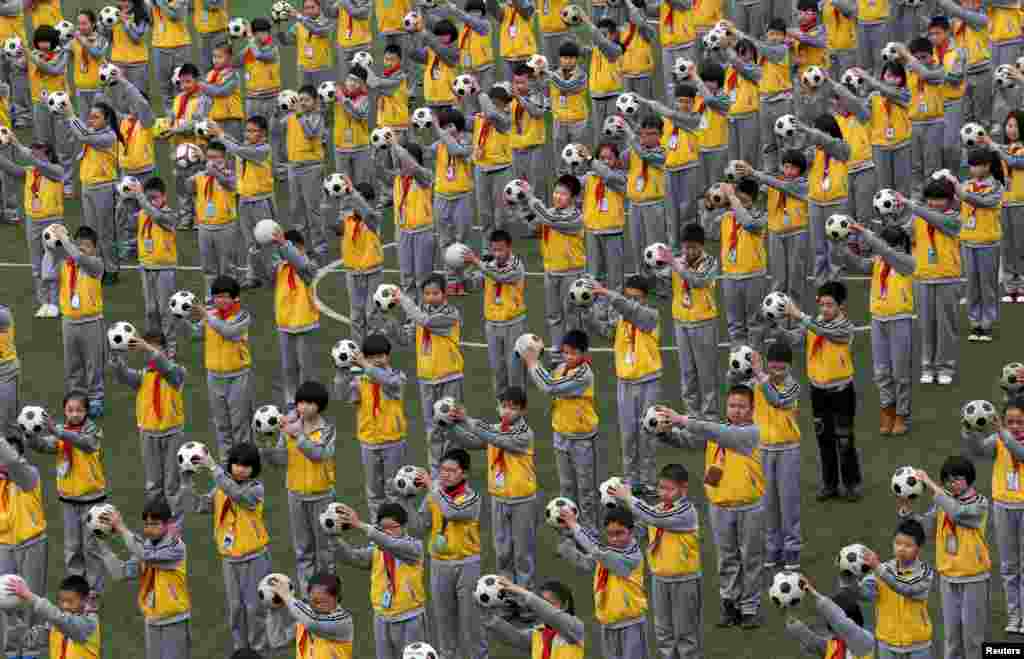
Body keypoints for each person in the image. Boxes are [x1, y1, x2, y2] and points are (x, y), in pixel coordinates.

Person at [656, 387, 765, 628]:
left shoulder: (751, 433)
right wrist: (663, 433)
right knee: (727, 558)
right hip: (719, 507)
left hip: (750, 507)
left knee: (751, 559)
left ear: (752, 410)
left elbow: (716, 432)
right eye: (732, 406)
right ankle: (730, 603)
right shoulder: (717, 433)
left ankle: (750, 608)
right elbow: (688, 441)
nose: (736, 411)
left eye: (742, 407)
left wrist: (682, 420)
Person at [178, 443, 271, 657]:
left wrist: (213, 467)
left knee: (254, 608)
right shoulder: (220, 488)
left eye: (246, 465)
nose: (240, 468)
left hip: (254, 558)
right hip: (230, 559)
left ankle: (259, 652)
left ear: (254, 469)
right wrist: (186, 481)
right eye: (236, 463)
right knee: (236, 609)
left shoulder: (255, 488)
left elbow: (238, 496)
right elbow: (200, 506)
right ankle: (240, 651)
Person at [897, 458, 990, 659]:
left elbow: (958, 513)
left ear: (969, 480)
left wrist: (931, 485)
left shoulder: (980, 503)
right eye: (947, 480)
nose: (951, 484)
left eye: (957, 479)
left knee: (973, 637)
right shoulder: (942, 503)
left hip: (973, 577)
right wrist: (906, 512)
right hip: (948, 577)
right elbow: (925, 529)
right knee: (952, 636)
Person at [400, 448, 486, 659]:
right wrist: (407, 501)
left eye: (451, 470)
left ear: (464, 474)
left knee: (471, 625)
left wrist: (432, 487)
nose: (445, 474)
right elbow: (419, 527)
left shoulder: (471, 498)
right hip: (439, 566)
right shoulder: (433, 496)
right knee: (444, 624)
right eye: (442, 469)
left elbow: (452, 512)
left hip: (467, 565)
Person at [450, 387, 537, 595]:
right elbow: (472, 441)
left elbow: (496, 439)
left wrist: (467, 420)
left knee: (522, 555)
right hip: (498, 499)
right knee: (503, 552)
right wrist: (450, 427)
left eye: (513, 408)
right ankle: (506, 596)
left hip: (522, 500)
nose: (507, 411)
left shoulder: (524, 434)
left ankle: (525, 601)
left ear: (523, 411)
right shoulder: (495, 428)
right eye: (503, 406)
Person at [783, 282, 863, 502]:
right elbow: (796, 340)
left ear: (841, 306)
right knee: (823, 439)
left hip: (841, 392)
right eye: (822, 305)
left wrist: (799, 315)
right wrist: (777, 328)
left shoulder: (844, 327)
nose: (825, 309)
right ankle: (830, 484)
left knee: (845, 439)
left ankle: (851, 484)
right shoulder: (815, 322)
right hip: (818, 391)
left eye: (830, 305)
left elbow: (825, 333)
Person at [611, 464, 702, 659]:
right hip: (659, 578)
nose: (664, 493)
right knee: (663, 632)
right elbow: (642, 525)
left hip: (684, 580)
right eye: (661, 488)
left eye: (670, 489)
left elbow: (656, 519)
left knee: (686, 633)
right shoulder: (658, 509)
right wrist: (620, 507)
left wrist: (629, 498)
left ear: (684, 489)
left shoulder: (686, 512)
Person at [835, 224, 915, 435]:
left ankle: (902, 414)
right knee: (881, 371)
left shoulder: (907, 262)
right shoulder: (879, 260)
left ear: (899, 245)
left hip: (900, 320)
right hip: (878, 320)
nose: (885, 249)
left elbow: (887, 252)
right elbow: (861, 264)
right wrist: (842, 248)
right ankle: (886, 410)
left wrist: (868, 236)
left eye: (889, 245)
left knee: (900, 372)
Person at [585, 277, 661, 496]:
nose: (631, 302)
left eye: (636, 298)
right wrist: (587, 313)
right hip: (625, 382)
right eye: (629, 297)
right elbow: (607, 333)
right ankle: (631, 479)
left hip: (648, 381)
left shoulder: (650, 316)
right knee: (628, 435)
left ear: (645, 299)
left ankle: (649, 480)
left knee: (647, 433)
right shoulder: (621, 318)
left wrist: (606, 293)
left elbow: (629, 309)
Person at [28, 391, 106, 600]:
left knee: (91, 547)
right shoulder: (61, 432)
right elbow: (45, 446)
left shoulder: (92, 430)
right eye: (70, 410)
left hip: (92, 500)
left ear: (86, 411)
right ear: (64, 411)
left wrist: (58, 432)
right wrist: (30, 436)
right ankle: (77, 587)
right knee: (73, 547)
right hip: (68, 501)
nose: (74, 414)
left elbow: (86, 444)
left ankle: (94, 590)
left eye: (79, 410)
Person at [261, 381, 336, 597]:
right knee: (303, 550)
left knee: (325, 550)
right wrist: (267, 446)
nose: (303, 407)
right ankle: (307, 593)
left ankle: (328, 592)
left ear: (320, 406)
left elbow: (318, 455)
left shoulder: (327, 430)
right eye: (300, 402)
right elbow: (281, 460)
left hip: (322, 496)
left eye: (309, 403)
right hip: (295, 495)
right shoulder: (290, 429)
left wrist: (298, 436)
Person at [95, 498, 191, 659]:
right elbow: (122, 573)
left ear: (167, 524)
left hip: (174, 620)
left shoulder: (176, 547)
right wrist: (102, 545)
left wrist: (121, 528)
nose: (149, 529)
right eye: (147, 524)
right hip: (152, 620)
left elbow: (146, 556)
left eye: (155, 524)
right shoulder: (145, 546)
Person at [523, 330, 601, 527]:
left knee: (586, 489)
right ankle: (569, 529)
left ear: (584, 354)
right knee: (566, 487)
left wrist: (532, 362)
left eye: (573, 353)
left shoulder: (584, 374)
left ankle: (590, 531)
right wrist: (536, 352)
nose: (568, 357)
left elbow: (550, 386)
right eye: (565, 353)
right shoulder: (561, 368)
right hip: (561, 434)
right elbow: (548, 378)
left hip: (582, 438)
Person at [329, 502, 427, 659]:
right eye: (383, 528)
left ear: (404, 526)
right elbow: (351, 557)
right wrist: (333, 537)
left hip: (409, 618)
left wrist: (359, 524)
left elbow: (392, 544)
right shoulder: (376, 550)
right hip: (382, 618)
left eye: (392, 527)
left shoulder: (414, 548)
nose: (387, 532)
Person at [962, 398, 1024, 634]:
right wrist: (969, 432)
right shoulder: (998, 440)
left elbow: (1020, 454)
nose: (1015, 426)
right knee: (1009, 566)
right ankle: (1014, 615)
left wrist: (1001, 431)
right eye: (1010, 422)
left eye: (1020, 422)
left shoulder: (1003, 437)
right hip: (1002, 507)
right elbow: (977, 451)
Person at [556, 506, 648, 659]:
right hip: (608, 623)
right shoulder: (608, 552)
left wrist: (574, 525)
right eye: (610, 534)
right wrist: (567, 547)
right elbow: (587, 563)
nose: (614, 539)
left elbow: (597, 551)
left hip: (630, 624)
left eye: (620, 533)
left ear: (631, 532)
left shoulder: (632, 557)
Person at [397, 275, 464, 474]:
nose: (431, 297)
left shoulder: (451, 314)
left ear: (445, 294)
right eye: (427, 293)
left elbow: (425, 322)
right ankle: (436, 470)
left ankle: (454, 468)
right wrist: (389, 323)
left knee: (451, 424)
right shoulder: (420, 312)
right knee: (432, 428)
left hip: (449, 375)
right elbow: (405, 338)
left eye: (435, 293)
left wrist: (403, 300)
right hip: (426, 378)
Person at [336, 334, 408, 519]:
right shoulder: (360, 381)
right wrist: (341, 372)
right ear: (365, 357)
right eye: (372, 357)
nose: (377, 360)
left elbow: (388, 382)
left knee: (394, 490)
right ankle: (378, 530)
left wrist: (365, 366)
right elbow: (344, 395)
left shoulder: (397, 377)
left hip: (393, 441)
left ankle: (397, 528)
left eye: (381, 356)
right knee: (374, 493)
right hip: (368, 442)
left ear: (388, 356)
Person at [844, 519, 935, 659]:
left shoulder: (924, 573)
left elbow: (907, 588)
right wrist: (849, 580)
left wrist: (879, 569)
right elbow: (864, 594)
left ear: (919, 548)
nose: (901, 549)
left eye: (908, 545)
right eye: (898, 543)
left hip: (918, 645)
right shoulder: (883, 569)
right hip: (887, 644)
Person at [900, 180, 961, 385]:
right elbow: (904, 234)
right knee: (926, 325)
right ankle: (927, 366)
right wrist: (892, 217)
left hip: (947, 277)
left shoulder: (953, 218)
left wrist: (914, 206)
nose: (935, 203)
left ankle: (945, 367)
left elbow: (937, 221)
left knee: (946, 326)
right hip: (923, 277)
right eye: (931, 199)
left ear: (951, 200)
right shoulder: (917, 216)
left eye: (940, 199)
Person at [660, 223, 721, 421]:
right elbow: (661, 284)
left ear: (702, 246)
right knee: (687, 374)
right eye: (686, 247)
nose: (689, 251)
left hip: (703, 323)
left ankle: (710, 418)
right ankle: (692, 417)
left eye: (694, 247)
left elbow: (698, 280)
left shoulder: (710, 263)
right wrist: (655, 265)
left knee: (706, 374)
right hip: (681, 323)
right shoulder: (678, 262)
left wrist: (674, 264)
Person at [735, 150, 809, 313]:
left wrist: (754, 172)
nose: (788, 171)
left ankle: (796, 319)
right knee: (778, 279)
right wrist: (743, 184)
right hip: (775, 234)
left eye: (793, 168)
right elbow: (757, 195)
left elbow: (782, 187)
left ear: (801, 170)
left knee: (796, 279)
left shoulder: (802, 185)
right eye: (786, 167)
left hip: (796, 234)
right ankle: (777, 316)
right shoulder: (774, 182)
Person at [188, 275, 253, 458]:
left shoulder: (242, 316)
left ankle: (244, 464)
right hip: (214, 377)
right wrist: (179, 319)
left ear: (235, 298)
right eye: (217, 296)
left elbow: (228, 332)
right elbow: (194, 334)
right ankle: (226, 466)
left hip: (238, 377)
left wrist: (206, 315)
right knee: (222, 426)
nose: (221, 300)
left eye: (225, 296)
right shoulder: (211, 315)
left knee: (239, 425)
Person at [0, 138, 65, 318]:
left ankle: (56, 302)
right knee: (37, 265)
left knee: (53, 263)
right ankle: (44, 302)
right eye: (33, 150)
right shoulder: (30, 172)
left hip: (53, 221)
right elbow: (9, 168)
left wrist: (19, 146)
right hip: (33, 222)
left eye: (38, 151)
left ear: (49, 154)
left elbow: (40, 165)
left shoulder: (57, 171)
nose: (34, 154)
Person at [213, 116, 276, 290]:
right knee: (250, 242)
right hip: (244, 199)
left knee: (266, 240)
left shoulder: (263, 149)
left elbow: (235, 149)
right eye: (247, 130)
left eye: (252, 131)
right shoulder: (247, 146)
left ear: (263, 133)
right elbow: (236, 144)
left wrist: (219, 134)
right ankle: (252, 276)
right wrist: (220, 131)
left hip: (260, 201)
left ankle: (274, 274)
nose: (248, 134)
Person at [524, 175, 586, 350]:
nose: (558, 196)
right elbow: (535, 225)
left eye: (563, 194)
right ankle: (557, 351)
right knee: (553, 316)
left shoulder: (575, 217)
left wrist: (531, 198)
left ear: (573, 198)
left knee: (572, 316)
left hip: (571, 273)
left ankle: (576, 352)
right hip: (551, 271)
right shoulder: (549, 212)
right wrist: (522, 206)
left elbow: (550, 221)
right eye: (556, 192)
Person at [65, 102, 121, 282]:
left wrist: (70, 114)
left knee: (105, 232)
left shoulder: (109, 137)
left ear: (107, 119)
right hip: (88, 186)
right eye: (90, 116)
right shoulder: (93, 133)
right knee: (91, 231)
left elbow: (84, 136)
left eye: (96, 117)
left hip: (103, 186)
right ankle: (96, 267)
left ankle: (111, 270)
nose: (91, 119)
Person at [467, 229, 527, 393]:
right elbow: (473, 285)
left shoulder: (516, 265)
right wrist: (459, 272)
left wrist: (476, 261)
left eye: (501, 249)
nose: (497, 253)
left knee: (514, 368)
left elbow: (500, 276)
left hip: (512, 324)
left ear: (509, 247)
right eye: (494, 250)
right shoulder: (489, 266)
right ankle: (502, 405)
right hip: (492, 325)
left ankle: (518, 405)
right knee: (497, 369)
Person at [710, 178, 767, 350]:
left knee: (754, 325)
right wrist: (708, 207)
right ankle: (740, 363)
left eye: (744, 200)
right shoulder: (727, 217)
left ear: (754, 200)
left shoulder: (760, 216)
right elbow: (709, 232)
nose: (739, 204)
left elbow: (749, 223)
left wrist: (733, 199)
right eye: (738, 199)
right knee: (735, 326)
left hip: (753, 276)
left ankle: (755, 365)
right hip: (730, 277)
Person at [0, 435, 47, 643]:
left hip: (32, 543)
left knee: (31, 598)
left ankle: (33, 647)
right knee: (6, 600)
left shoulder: (29, 475)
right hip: (3, 546)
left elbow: (12, 463)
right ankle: (12, 645)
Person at [55, 225, 106, 417]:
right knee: (73, 364)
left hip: (91, 321)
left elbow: (80, 258)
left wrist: (65, 241)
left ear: (95, 249)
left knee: (93, 363)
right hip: (68, 322)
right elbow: (48, 274)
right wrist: (51, 249)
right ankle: (77, 396)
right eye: (80, 244)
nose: (83, 248)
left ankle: (95, 398)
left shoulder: (96, 265)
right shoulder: (66, 265)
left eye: (87, 245)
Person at [957, 148, 1005, 342]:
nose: (973, 169)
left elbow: (985, 203)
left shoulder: (996, 187)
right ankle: (974, 322)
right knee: (972, 285)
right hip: (968, 241)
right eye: (971, 165)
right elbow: (954, 202)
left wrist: (963, 195)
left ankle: (987, 323)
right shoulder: (965, 185)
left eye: (977, 165)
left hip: (988, 243)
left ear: (987, 166)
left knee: (987, 285)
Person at [128, 178, 180, 353]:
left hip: (164, 268)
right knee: (151, 310)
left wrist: (140, 198)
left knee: (165, 311)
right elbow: (125, 225)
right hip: (146, 267)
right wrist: (123, 203)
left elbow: (156, 216)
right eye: (148, 198)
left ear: (164, 196)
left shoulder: (170, 215)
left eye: (154, 198)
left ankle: (170, 347)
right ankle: (155, 345)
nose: (151, 202)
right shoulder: (142, 213)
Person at [268, 229, 319, 407]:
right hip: (285, 324)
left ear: (301, 248)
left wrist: (284, 245)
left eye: (291, 248)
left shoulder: (309, 266)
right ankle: (291, 401)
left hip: (306, 323)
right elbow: (263, 276)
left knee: (307, 368)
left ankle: (309, 400)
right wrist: (255, 252)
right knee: (289, 368)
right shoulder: (280, 268)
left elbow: (300, 264)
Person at [277, 85, 326, 262]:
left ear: (315, 101)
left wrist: (299, 114)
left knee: (313, 209)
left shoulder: (317, 117)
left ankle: (320, 246)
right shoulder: (292, 116)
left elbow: (311, 133)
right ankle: (303, 245)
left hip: (311, 167)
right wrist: (281, 108)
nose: (303, 103)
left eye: (306, 100)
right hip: (293, 167)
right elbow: (276, 128)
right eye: (300, 99)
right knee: (296, 209)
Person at [481, 578, 585, 657]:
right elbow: (516, 638)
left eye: (549, 603)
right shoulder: (539, 632)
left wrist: (522, 592)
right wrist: (489, 617)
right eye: (543, 602)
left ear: (565, 605)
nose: (543, 608)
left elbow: (552, 616)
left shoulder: (576, 628)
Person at [187, 140, 239, 300]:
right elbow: (188, 191)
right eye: (209, 157)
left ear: (224, 158)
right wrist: (188, 175)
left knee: (227, 268)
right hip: (204, 227)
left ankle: (230, 298)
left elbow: (231, 185)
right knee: (208, 268)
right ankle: (211, 297)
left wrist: (215, 173)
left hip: (225, 226)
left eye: (216, 157)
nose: (212, 161)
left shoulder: (230, 174)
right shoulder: (201, 176)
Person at [430, 109, 474, 292]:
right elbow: (424, 153)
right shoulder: (438, 144)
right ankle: (450, 278)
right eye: (444, 126)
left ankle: (463, 276)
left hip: (461, 196)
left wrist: (438, 130)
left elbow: (456, 150)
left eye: (451, 126)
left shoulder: (467, 141)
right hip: (441, 196)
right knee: (445, 239)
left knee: (461, 238)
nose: (447, 130)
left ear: (459, 126)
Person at [7, 575, 99, 659]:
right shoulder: (55, 626)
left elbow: (59, 619)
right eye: (62, 601)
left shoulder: (88, 625)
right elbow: (31, 639)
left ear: (85, 600)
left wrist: (29, 596)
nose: (65, 606)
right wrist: (14, 619)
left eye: (70, 601)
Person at [264, 573, 354, 657]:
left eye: (320, 601)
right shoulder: (305, 620)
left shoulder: (342, 621)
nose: (315, 606)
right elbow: (277, 641)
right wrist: (273, 609)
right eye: (313, 600)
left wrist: (286, 596)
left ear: (336, 598)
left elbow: (313, 622)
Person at [784, 581, 874, 659]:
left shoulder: (865, 642)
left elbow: (841, 622)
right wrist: (791, 619)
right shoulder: (835, 646)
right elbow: (812, 642)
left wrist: (816, 595)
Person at [277, 0, 334, 89]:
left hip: (322, 69)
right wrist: (278, 26)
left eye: (312, 7)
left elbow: (317, 30)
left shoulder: (326, 22)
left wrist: (299, 16)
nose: (309, 11)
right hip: (303, 70)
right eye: (306, 8)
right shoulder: (298, 25)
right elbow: (286, 41)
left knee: (322, 99)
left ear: (319, 8)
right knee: (305, 98)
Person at [149, 0, 192, 114]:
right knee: (164, 87)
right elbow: (148, 19)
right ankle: (170, 118)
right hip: (159, 46)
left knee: (182, 84)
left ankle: (183, 116)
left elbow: (174, 16)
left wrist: (159, 2)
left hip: (181, 46)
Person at [334, 65, 372, 187]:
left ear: (363, 85)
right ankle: (346, 206)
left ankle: (362, 205)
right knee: (343, 185)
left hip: (360, 148)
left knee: (361, 184)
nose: (352, 83)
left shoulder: (364, 99)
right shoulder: (336, 97)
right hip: (341, 148)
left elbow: (357, 114)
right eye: (350, 79)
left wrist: (343, 99)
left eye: (357, 81)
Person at [200, 44, 244, 142]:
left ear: (229, 58)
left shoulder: (232, 74)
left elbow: (221, 91)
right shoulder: (210, 75)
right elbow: (205, 98)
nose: (215, 60)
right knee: (217, 152)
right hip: (214, 121)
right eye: (214, 57)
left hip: (231, 121)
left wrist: (200, 85)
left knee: (233, 152)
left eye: (219, 57)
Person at [104, 0, 150, 92]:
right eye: (122, 1)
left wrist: (125, 22)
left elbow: (136, 39)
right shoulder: (113, 14)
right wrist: (107, 27)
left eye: (128, 1)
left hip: (137, 63)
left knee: (138, 98)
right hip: (118, 63)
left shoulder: (141, 16)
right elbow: (109, 39)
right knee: (119, 99)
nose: (125, 4)